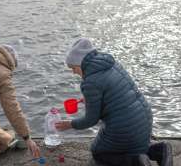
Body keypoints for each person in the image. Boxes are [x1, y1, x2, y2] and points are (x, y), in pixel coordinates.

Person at [55, 38, 173, 166]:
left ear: (81, 64)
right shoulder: (110, 64)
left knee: (98, 152)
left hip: (125, 126)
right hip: (144, 117)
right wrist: (89, 100)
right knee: (136, 145)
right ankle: (159, 150)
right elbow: (116, 92)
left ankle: (137, 161)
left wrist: (70, 124)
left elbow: (90, 120)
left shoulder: (90, 82)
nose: (73, 72)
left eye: (74, 68)